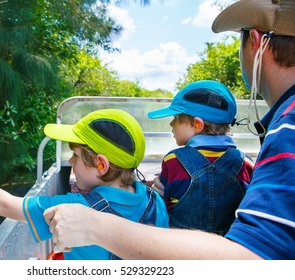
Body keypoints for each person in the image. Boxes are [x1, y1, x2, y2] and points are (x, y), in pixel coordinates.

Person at [43, 0, 295, 260]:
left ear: (255, 42)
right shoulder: (248, 159)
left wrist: (97, 226)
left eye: (176, 120)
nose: (171, 125)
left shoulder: (288, 127)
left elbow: (256, 258)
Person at [0, 108, 169, 260]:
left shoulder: (75, 207)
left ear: (101, 165)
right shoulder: (155, 201)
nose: (70, 161)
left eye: (76, 156)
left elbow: (6, 205)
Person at [148, 80, 254, 235]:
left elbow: (161, 206)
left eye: (176, 118)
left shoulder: (173, 160)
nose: (171, 124)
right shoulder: (246, 163)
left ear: (197, 124)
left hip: (180, 247)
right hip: (227, 249)